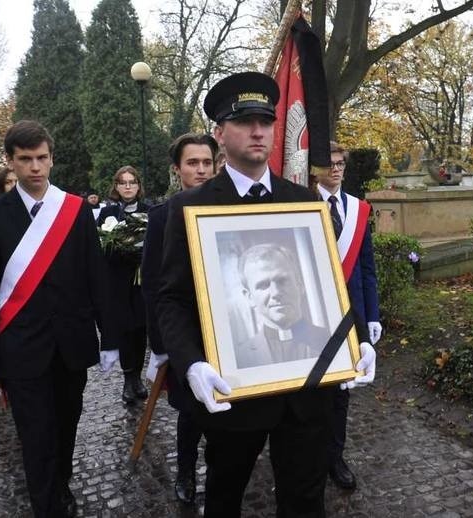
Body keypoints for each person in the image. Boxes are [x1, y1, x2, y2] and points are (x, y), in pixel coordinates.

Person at [155, 71, 376, 517]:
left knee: (305, 502)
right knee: (224, 497)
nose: (258, 131)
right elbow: (172, 299)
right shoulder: (187, 209)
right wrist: (191, 362)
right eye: (244, 122)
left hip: (306, 392)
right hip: (234, 392)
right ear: (219, 134)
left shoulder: (305, 202)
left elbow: (329, 285)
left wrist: (357, 341)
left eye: (266, 121)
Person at [0, 120, 117, 517]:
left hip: (72, 342)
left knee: (66, 427)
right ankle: (47, 506)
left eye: (42, 158)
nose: (35, 167)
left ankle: (60, 485)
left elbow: (96, 277)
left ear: (51, 158)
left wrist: (112, 337)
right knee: (36, 435)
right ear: (10, 162)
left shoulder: (75, 210)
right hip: (20, 349)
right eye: (25, 159)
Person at [142, 132, 218, 505]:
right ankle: (186, 472)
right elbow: (154, 287)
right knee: (190, 414)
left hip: (225, 330)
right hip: (184, 335)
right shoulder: (162, 216)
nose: (201, 170)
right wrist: (162, 346)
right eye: (193, 163)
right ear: (177, 169)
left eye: (207, 162)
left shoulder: (227, 208)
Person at [313, 140, 382, 490]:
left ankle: (335, 458)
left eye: (341, 163)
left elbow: (367, 269)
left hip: (352, 318)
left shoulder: (358, 209)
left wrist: (373, 315)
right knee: (309, 393)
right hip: (311, 317)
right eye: (330, 163)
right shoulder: (302, 204)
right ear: (316, 168)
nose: (336, 169)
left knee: (342, 392)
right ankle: (305, 457)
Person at [97, 166, 151, 405]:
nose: (128, 186)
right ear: (116, 187)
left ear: (138, 186)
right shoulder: (107, 213)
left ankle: (137, 377)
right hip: (118, 281)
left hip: (141, 280)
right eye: (123, 182)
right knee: (126, 330)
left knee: (140, 330)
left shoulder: (149, 211)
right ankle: (128, 380)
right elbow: (99, 243)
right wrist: (118, 249)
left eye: (132, 182)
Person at [235, 244, 329, 368]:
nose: (275, 293)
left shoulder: (333, 341)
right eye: (263, 285)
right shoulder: (240, 359)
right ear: (249, 297)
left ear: (300, 285)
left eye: (282, 281)